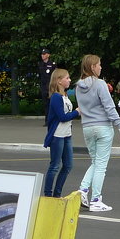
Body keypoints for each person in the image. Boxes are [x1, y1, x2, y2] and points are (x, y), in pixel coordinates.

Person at [74, 54, 120, 213]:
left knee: (95, 162)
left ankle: (83, 190)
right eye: (99, 65)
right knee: (101, 166)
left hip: (87, 128)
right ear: (92, 67)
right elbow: (109, 107)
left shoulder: (78, 87)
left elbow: (83, 108)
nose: (101, 67)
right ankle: (96, 200)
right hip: (103, 127)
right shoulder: (99, 84)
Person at [42, 68, 80, 198]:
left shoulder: (65, 95)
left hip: (66, 135)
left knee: (68, 165)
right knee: (55, 166)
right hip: (57, 136)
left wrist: (75, 112)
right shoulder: (56, 97)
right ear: (59, 81)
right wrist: (76, 112)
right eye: (67, 78)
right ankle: (48, 194)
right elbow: (62, 117)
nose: (69, 80)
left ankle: (57, 194)